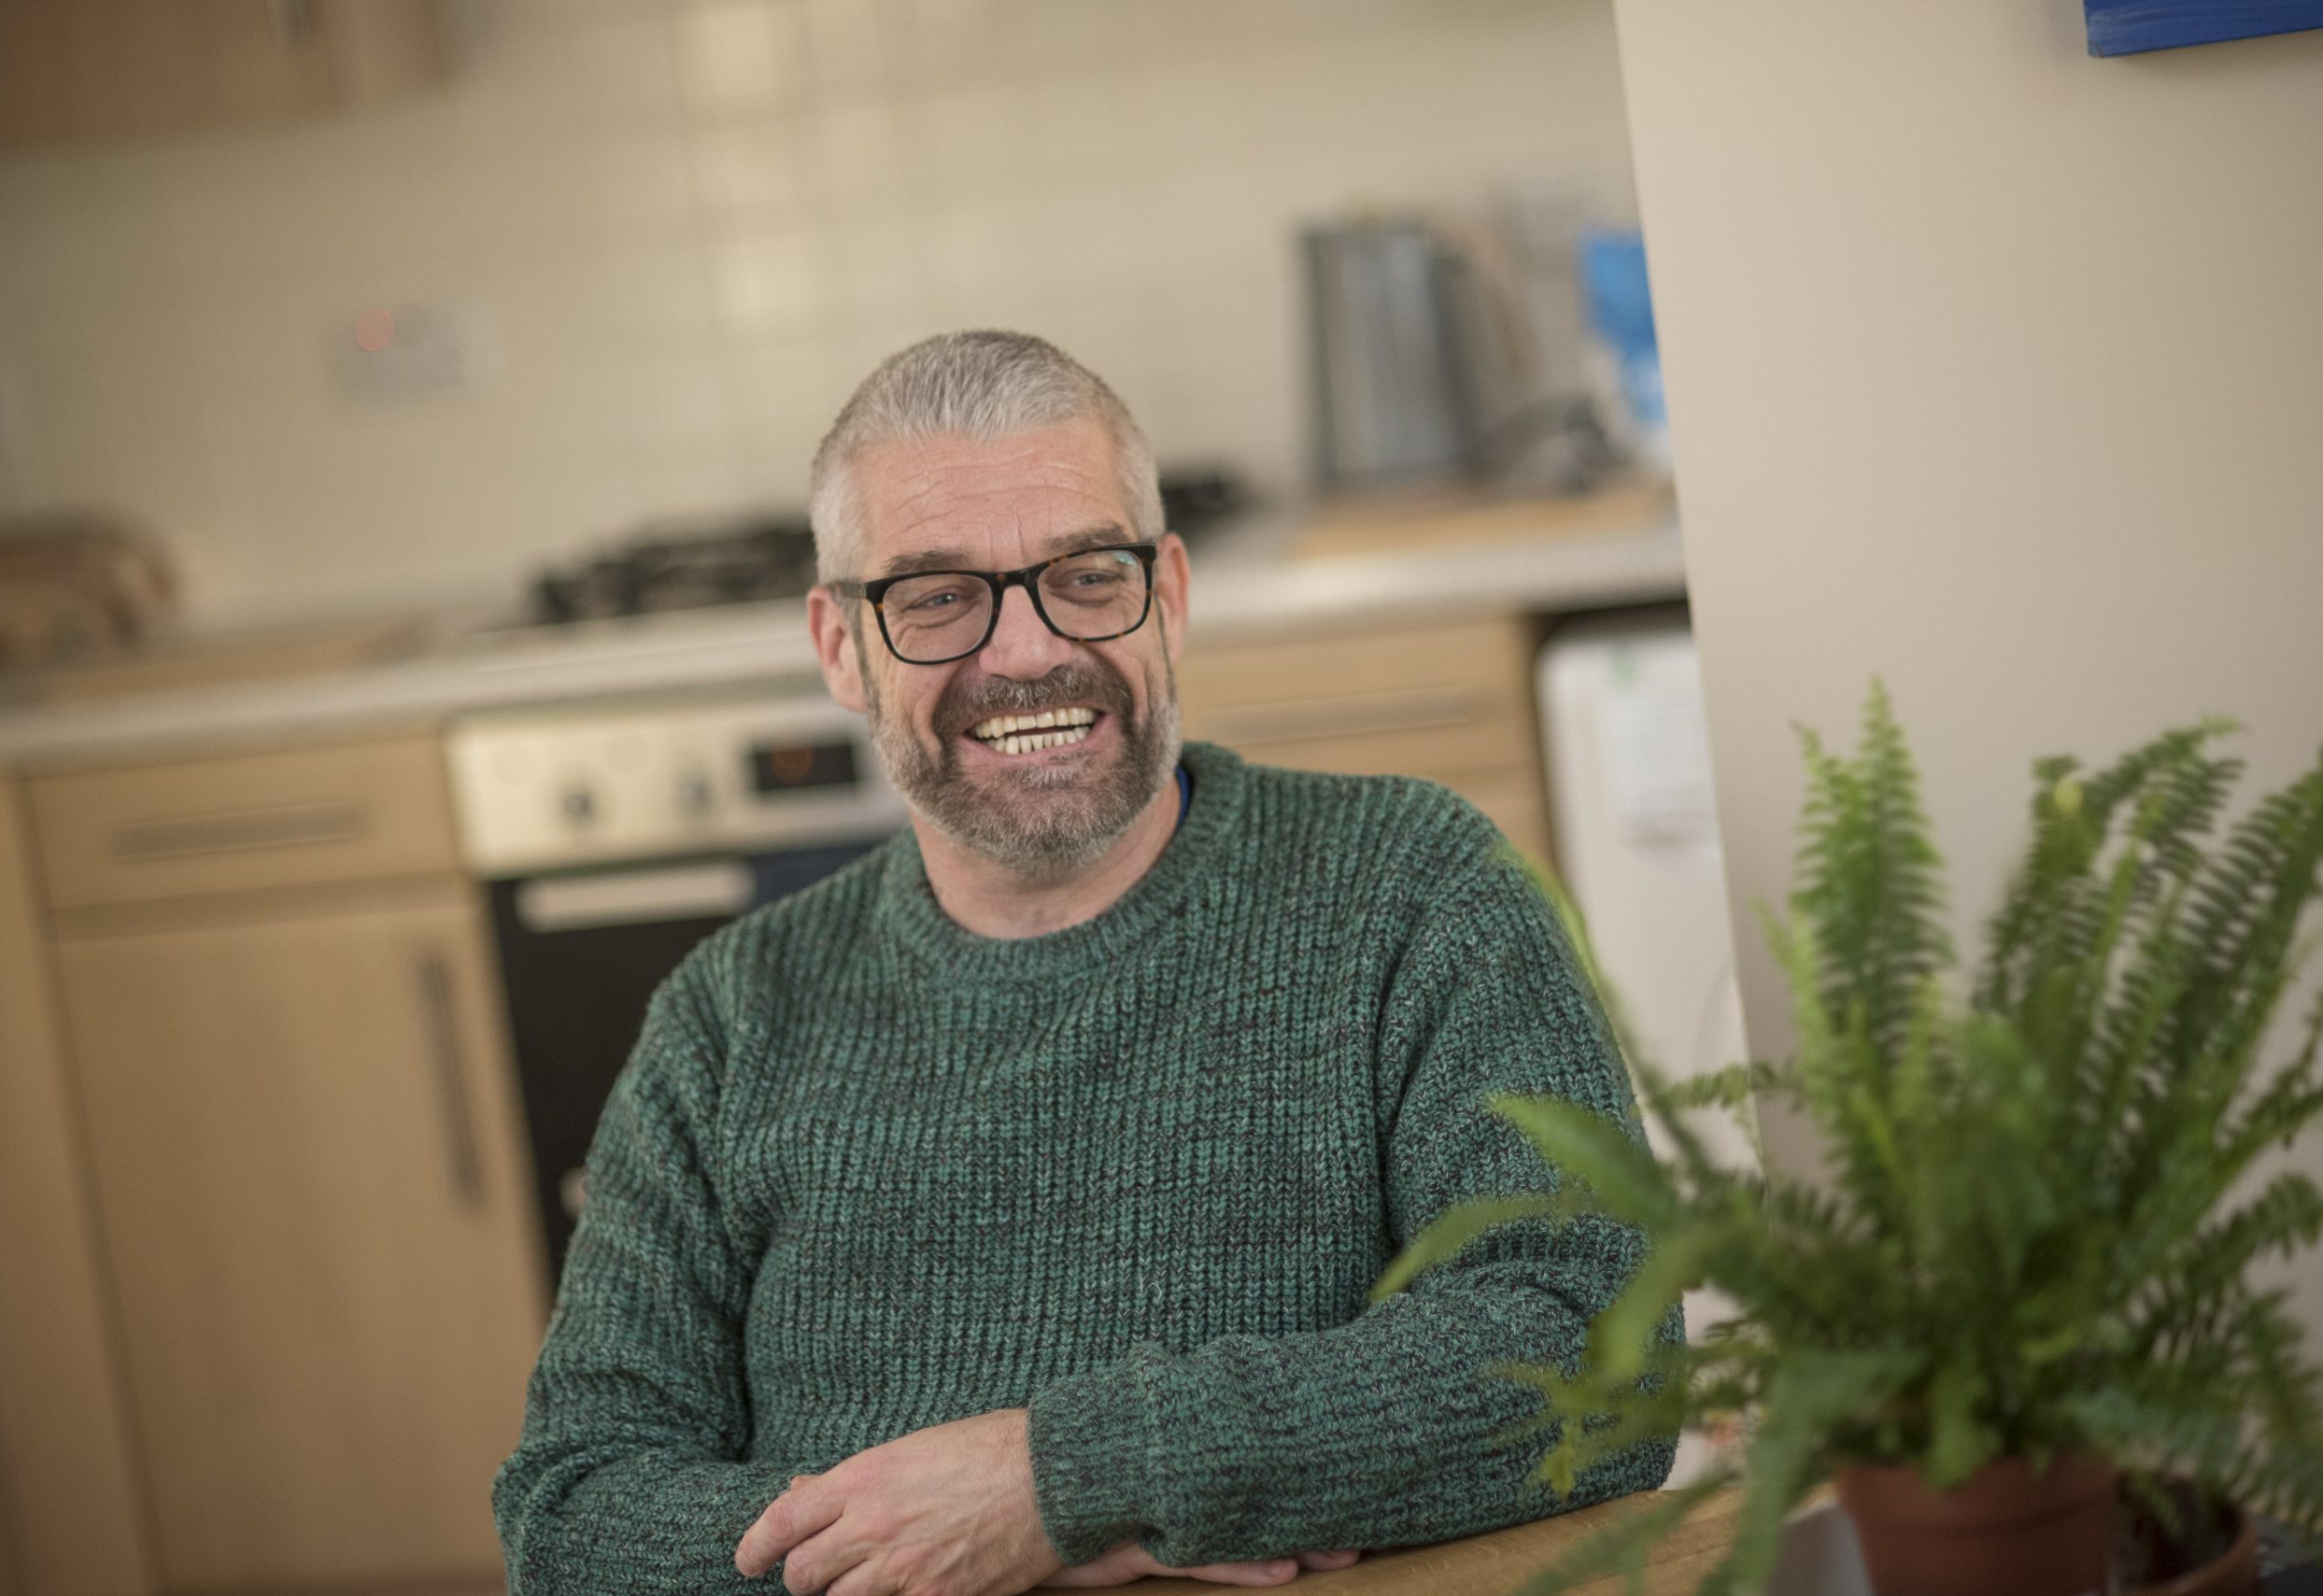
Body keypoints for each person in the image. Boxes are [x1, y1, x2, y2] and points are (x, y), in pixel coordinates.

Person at [490, 331, 1677, 1596]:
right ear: (841, 647)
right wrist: (971, 1544)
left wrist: (1052, 1482)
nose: (1023, 653)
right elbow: (573, 1512)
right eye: (936, 597)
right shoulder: (724, 1021)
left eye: (1084, 575)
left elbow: (1597, 1350)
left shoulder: (1413, 888)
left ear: (1166, 592)